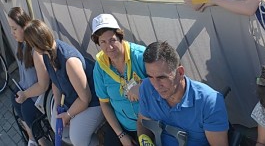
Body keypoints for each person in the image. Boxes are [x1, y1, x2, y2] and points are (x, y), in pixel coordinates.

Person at [24, 19, 103, 146]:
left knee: (77, 139)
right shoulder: (46, 53)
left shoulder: (69, 61)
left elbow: (85, 98)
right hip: (73, 100)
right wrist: (57, 106)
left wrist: (68, 115)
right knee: (59, 128)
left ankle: (99, 141)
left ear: (36, 44)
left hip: (93, 101)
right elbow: (55, 82)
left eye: (31, 45)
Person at [137, 41, 228, 146]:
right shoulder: (147, 87)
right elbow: (142, 123)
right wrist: (144, 141)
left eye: (162, 77)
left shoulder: (209, 102)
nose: (156, 86)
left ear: (180, 73)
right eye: (150, 77)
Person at [91, 13, 147, 145]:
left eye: (112, 40)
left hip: (149, 124)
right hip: (122, 127)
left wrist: (144, 86)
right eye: (103, 42)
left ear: (120, 37)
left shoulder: (140, 56)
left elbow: (164, 82)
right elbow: (104, 103)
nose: (109, 47)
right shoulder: (100, 66)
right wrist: (121, 135)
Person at [8, 7, 50, 146]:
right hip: (29, 91)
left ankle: (41, 142)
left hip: (41, 95)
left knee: (26, 108)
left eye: (14, 28)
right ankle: (32, 139)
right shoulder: (21, 46)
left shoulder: (34, 51)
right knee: (14, 98)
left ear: (24, 26)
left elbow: (43, 85)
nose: (12, 32)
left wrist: (25, 94)